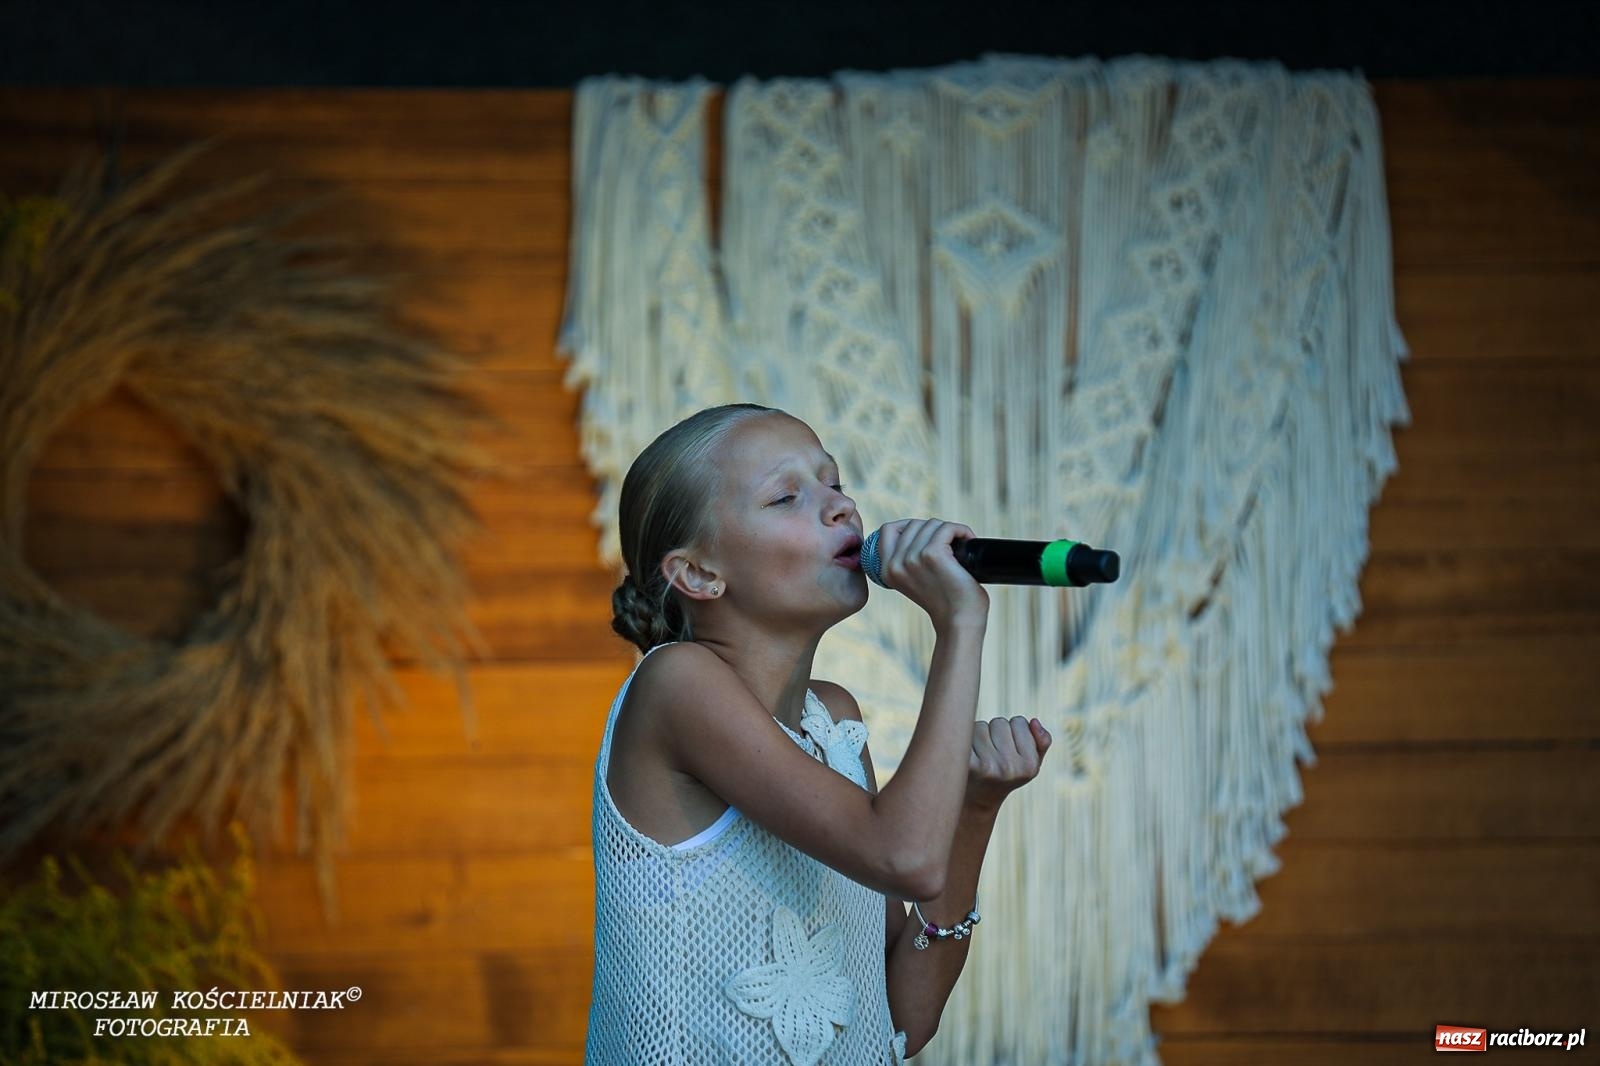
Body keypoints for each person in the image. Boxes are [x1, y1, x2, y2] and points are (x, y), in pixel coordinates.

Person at [585, 402, 1053, 1064]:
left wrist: (974, 810)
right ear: (698, 574)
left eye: (833, 482)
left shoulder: (834, 725)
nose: (841, 507)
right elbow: (907, 857)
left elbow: (903, 1019)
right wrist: (959, 625)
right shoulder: (676, 685)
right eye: (787, 496)